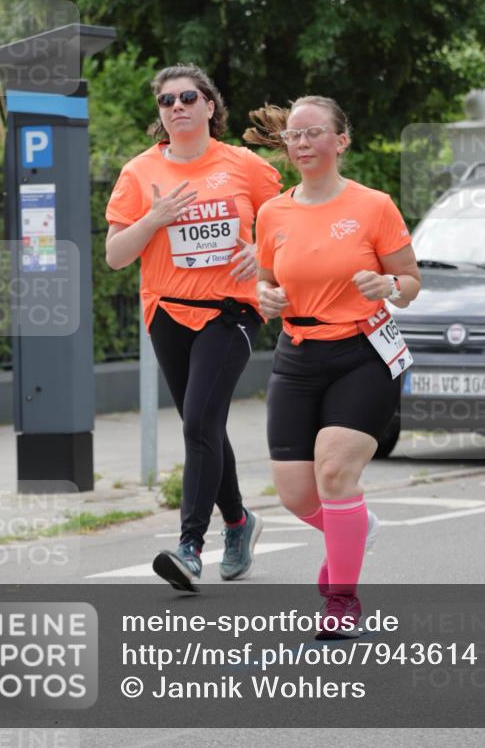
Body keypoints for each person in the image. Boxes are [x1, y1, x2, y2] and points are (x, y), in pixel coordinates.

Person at [245, 96, 420, 637]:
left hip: (363, 352)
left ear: (340, 141)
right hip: (298, 354)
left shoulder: (374, 206)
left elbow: (410, 283)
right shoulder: (273, 211)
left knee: (334, 473)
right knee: (296, 493)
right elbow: (268, 280)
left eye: (312, 133)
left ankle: (341, 600)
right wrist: (264, 297)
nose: (300, 143)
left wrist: (388, 286)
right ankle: (355, 528)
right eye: (294, 136)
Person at [105, 64, 281, 592]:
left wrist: (261, 252)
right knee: (202, 425)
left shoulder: (244, 166)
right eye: (166, 101)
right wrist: (153, 219)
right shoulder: (139, 173)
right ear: (159, 114)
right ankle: (240, 522)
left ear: (210, 106)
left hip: (232, 311)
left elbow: (288, 225)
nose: (176, 106)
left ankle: (189, 547)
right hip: (167, 312)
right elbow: (115, 256)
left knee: (199, 421)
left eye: (187, 97)